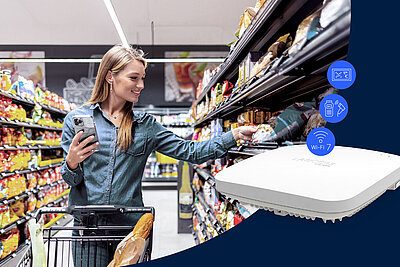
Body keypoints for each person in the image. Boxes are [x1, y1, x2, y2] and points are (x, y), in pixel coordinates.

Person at [60, 44, 257, 266]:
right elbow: (71, 180)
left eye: (142, 78)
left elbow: (190, 151)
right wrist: (72, 162)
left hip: (130, 231)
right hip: (89, 229)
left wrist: (234, 135)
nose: (141, 85)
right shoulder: (78, 120)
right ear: (109, 77)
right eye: (134, 78)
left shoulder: (145, 126)